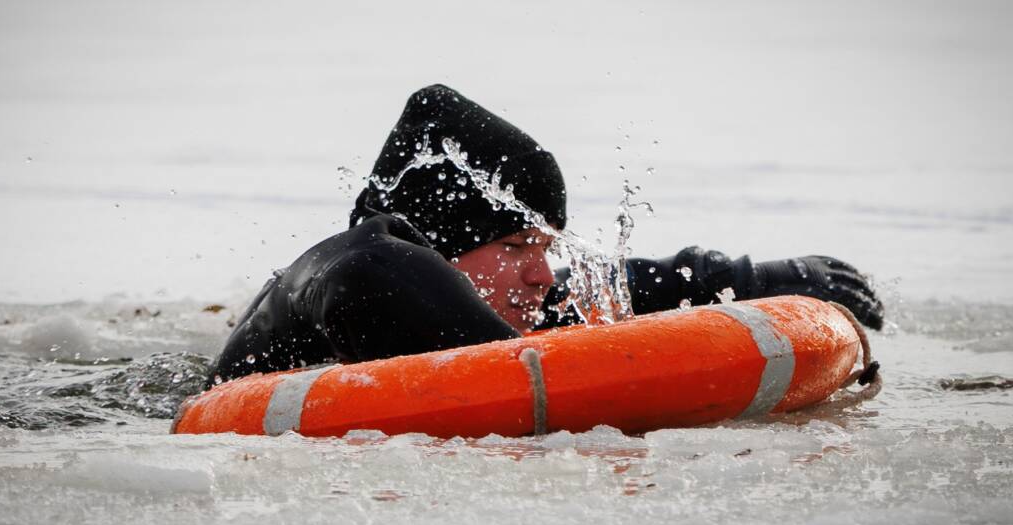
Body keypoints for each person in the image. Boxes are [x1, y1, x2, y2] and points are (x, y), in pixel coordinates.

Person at [208, 84, 883, 386]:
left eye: (545, 250)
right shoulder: (356, 271)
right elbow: (374, 267)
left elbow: (589, 294)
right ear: (434, 246)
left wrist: (738, 277)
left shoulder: (484, 299)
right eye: (513, 247)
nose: (539, 275)